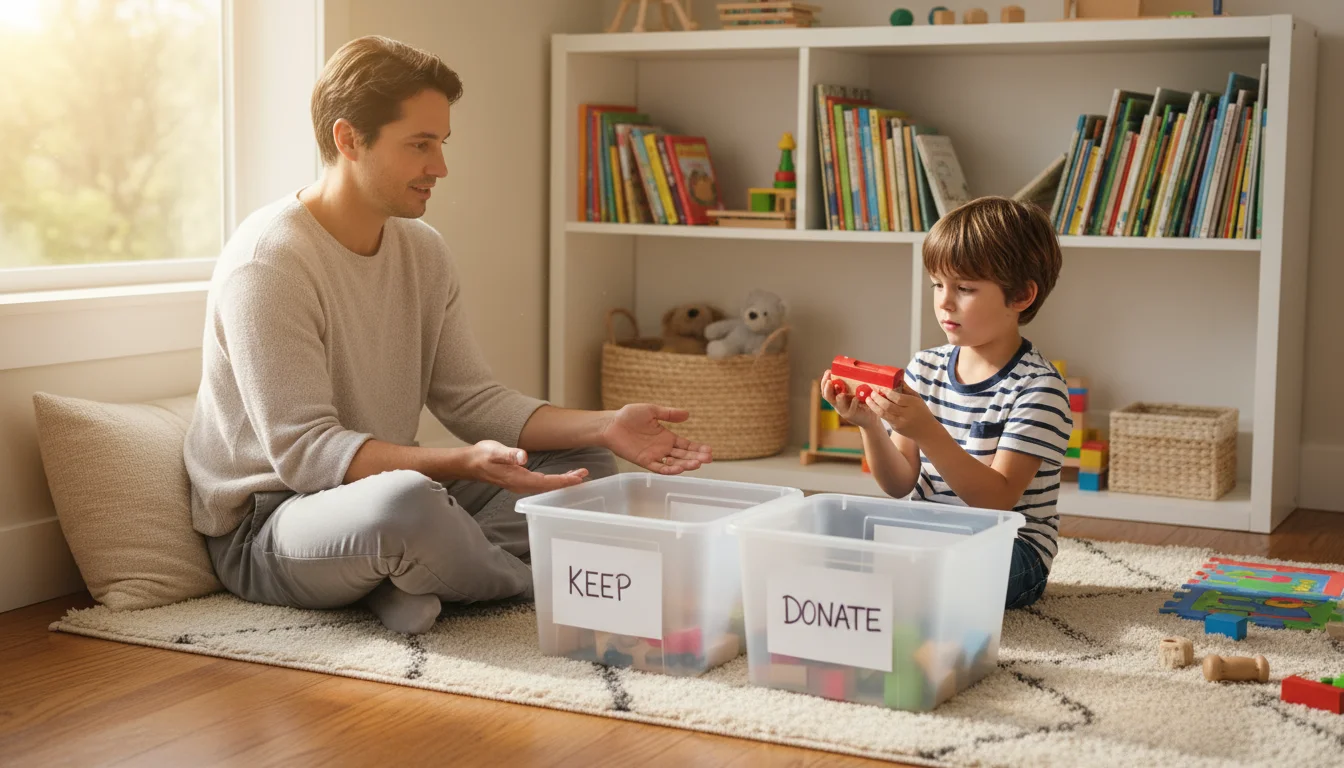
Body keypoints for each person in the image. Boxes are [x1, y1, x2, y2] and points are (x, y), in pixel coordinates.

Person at [183, 35, 712, 636]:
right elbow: (306, 455)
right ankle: (540, 582)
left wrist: (604, 424)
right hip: (270, 526)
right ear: (348, 138)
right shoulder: (269, 263)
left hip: (376, 498)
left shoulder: (422, 251)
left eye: (441, 143)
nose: (440, 167)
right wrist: (462, 463)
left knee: (581, 465)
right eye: (420, 144)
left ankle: (410, 577)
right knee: (407, 503)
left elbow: (472, 399)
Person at [821, 196, 1070, 610]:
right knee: (836, 532)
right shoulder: (926, 366)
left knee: (949, 572)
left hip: (1010, 547)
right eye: (939, 284)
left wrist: (927, 431)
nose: (944, 301)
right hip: (928, 533)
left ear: (1021, 296)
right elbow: (900, 484)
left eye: (965, 288)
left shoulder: (1038, 389)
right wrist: (868, 425)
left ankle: (903, 585)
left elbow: (997, 500)